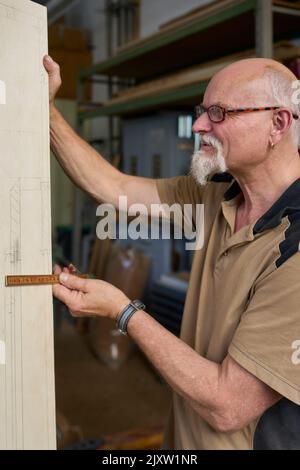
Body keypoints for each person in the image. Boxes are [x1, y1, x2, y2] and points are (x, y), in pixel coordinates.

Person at [44, 54, 300, 450]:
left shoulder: (294, 248)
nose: (199, 125)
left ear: (277, 124)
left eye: (218, 113)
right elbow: (110, 185)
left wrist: (122, 310)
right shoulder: (213, 199)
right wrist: (46, 110)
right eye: (202, 111)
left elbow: (228, 405)